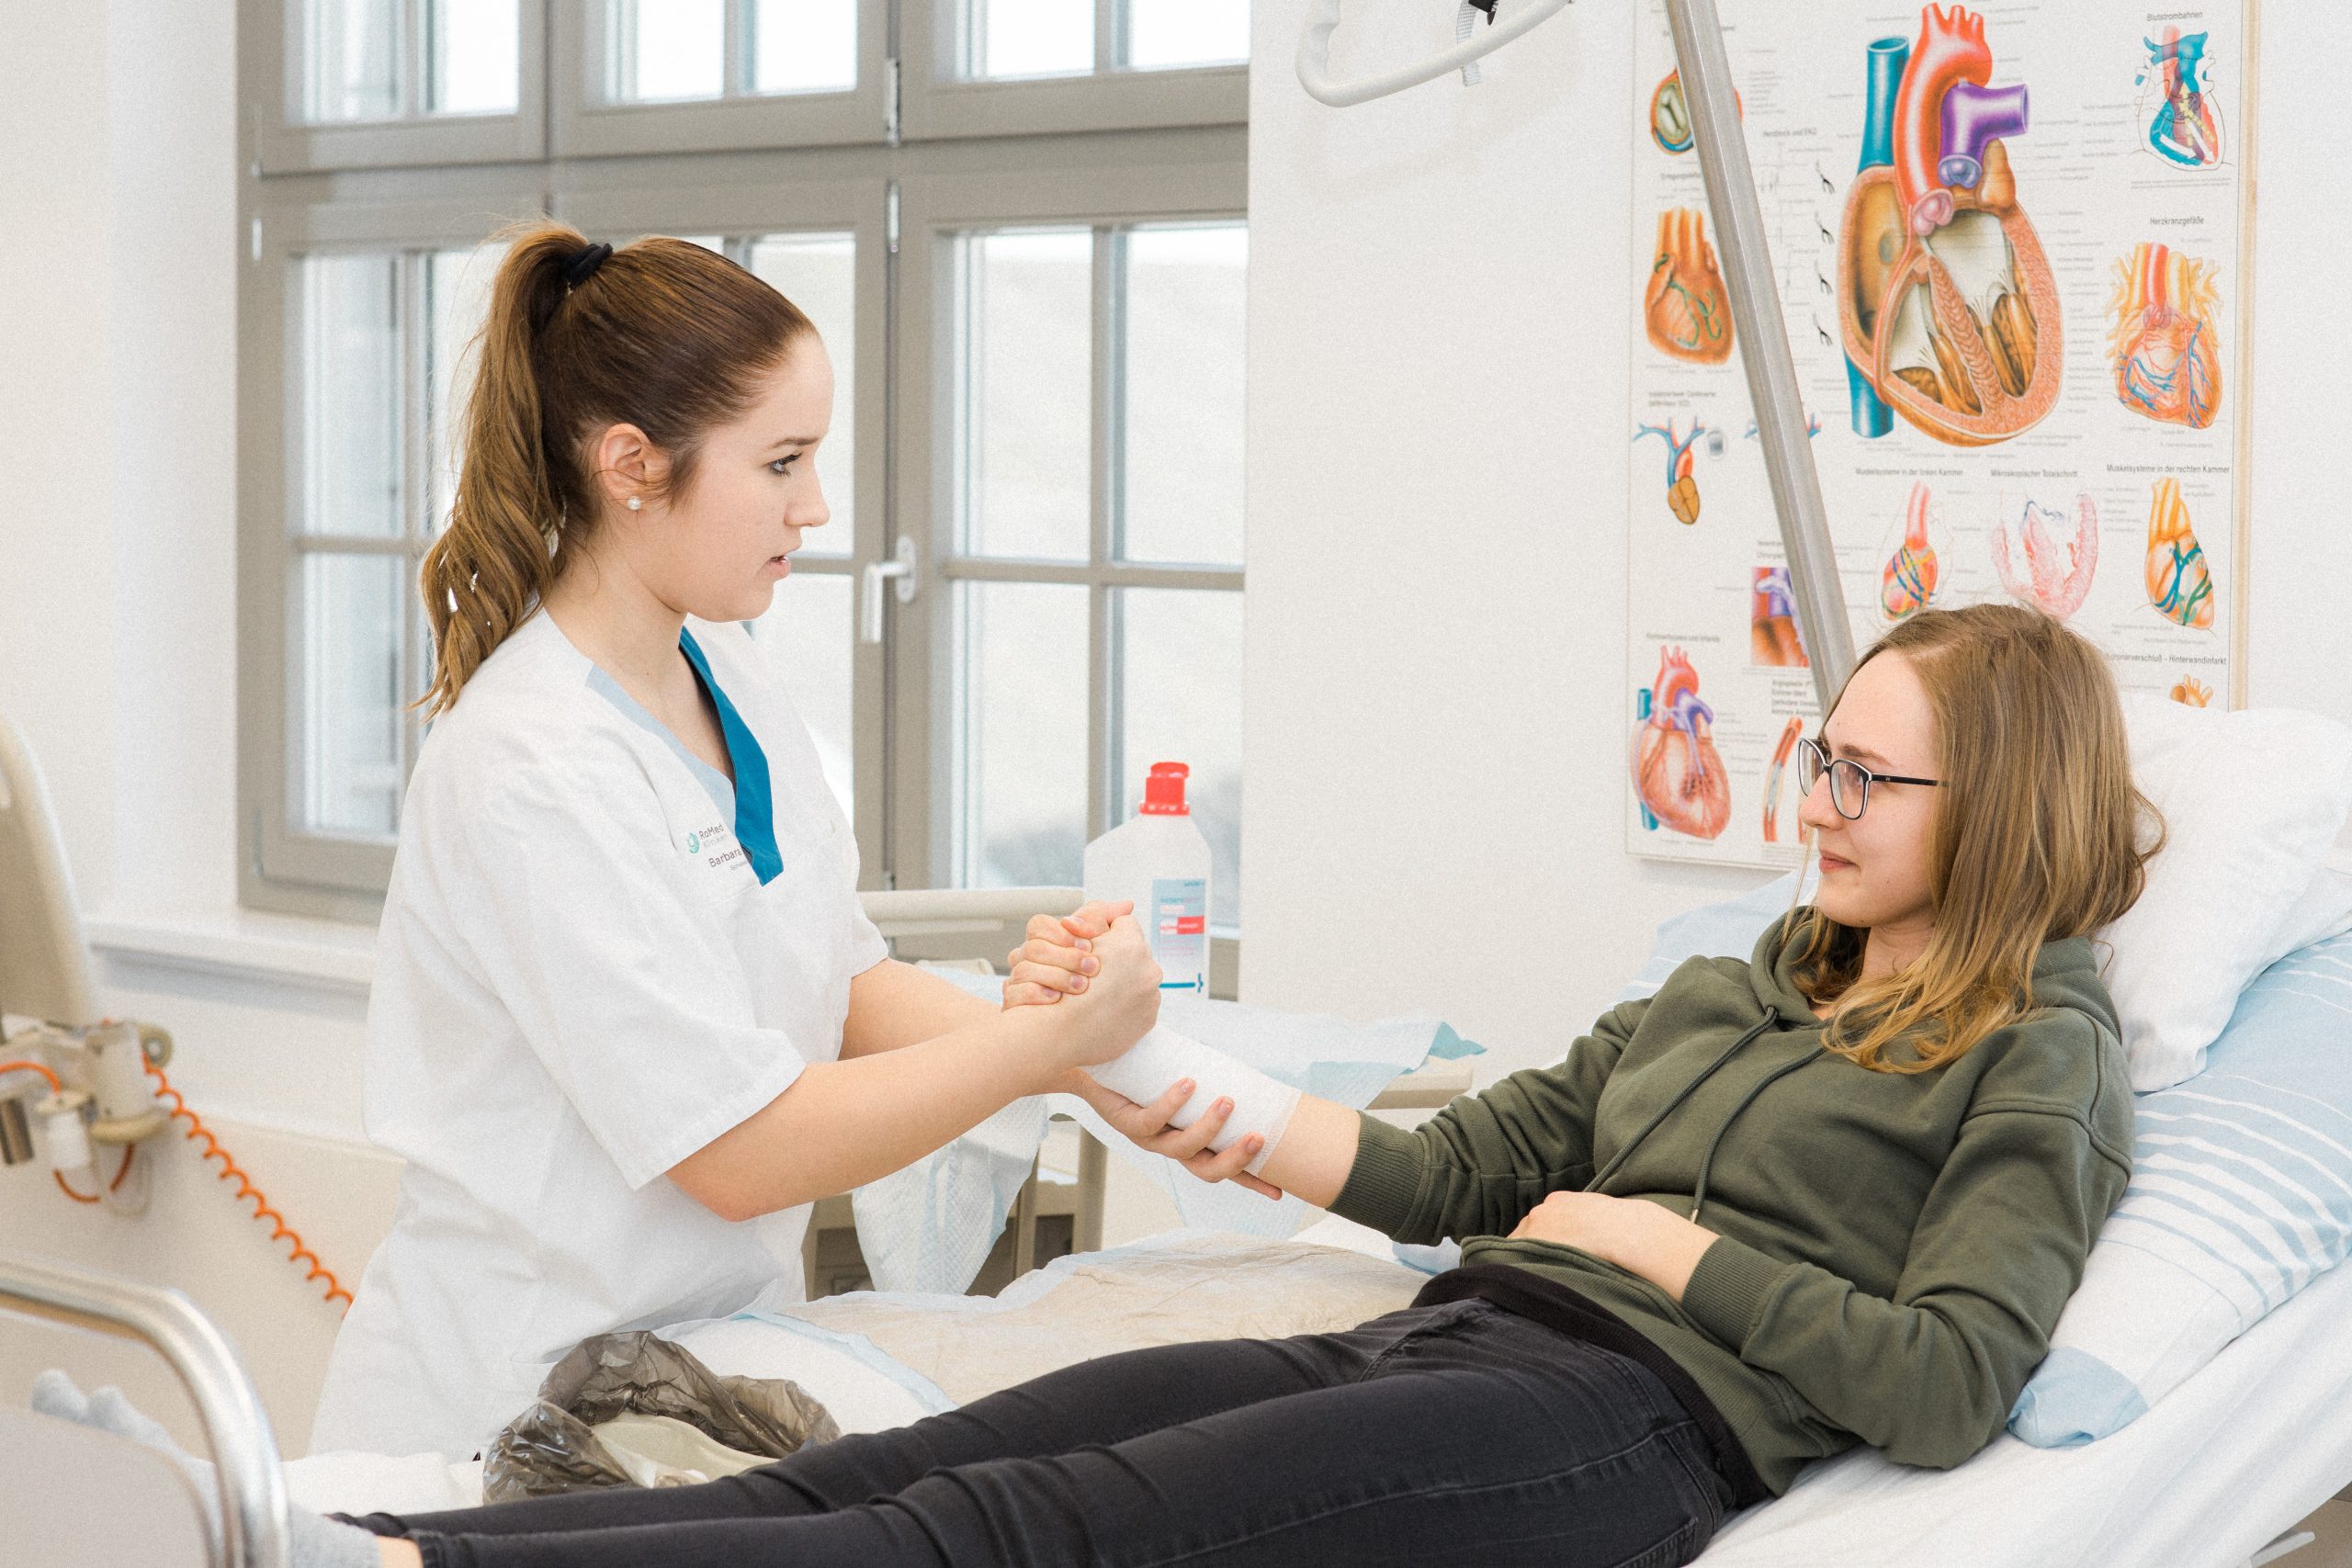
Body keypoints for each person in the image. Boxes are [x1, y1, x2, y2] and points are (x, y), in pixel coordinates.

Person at [152, 600, 2131, 1566]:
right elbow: (1458, 1163)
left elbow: (1945, 1373)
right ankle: (394, 1545)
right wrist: (1127, 1069)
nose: (1819, 799)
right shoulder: (1730, 979)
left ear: (2007, 801)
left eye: (1870, 776)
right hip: (1443, 1331)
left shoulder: (2033, 1049)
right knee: (901, 1467)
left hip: (1623, 1423)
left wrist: (1647, 1242)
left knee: (1028, 1531)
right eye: (1821, 754)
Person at [304, 222, 1233, 1462]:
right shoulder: (532, 771)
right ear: (634, 465)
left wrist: (1088, 1063)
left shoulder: (725, 674)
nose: (817, 505)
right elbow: (738, 1153)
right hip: (504, 1407)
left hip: (691, 1384)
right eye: (782, 462)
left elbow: (841, 985)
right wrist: (1036, 1046)